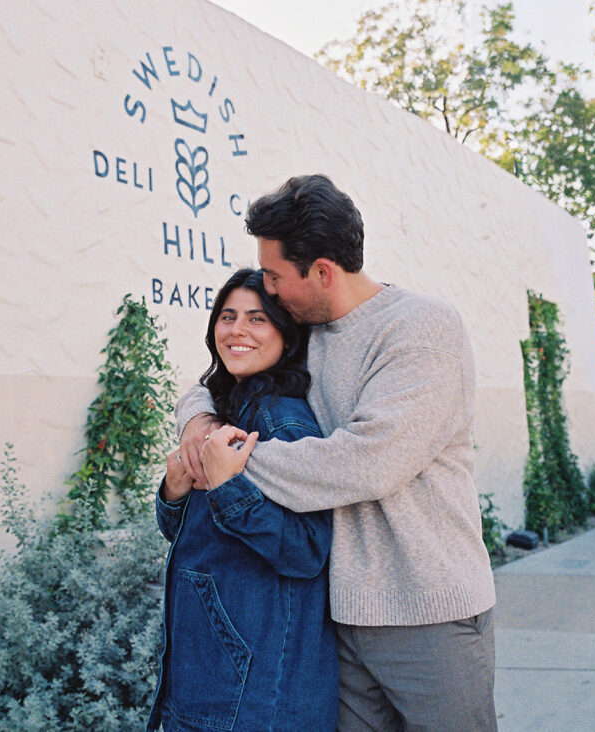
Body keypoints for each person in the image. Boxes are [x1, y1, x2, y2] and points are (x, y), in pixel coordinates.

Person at [179, 174, 498, 732]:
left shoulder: (420, 328)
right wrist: (203, 422)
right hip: (342, 617)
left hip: (428, 611)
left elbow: (367, 461)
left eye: (276, 277)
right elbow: (221, 372)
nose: (269, 291)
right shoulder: (310, 329)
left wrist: (229, 463)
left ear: (322, 271)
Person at [147, 268, 338, 732]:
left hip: (253, 692)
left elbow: (308, 549)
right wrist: (174, 488)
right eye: (227, 316)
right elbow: (198, 536)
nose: (237, 330)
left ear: (286, 336)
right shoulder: (225, 409)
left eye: (257, 319)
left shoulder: (283, 423)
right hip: (207, 672)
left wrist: (229, 488)